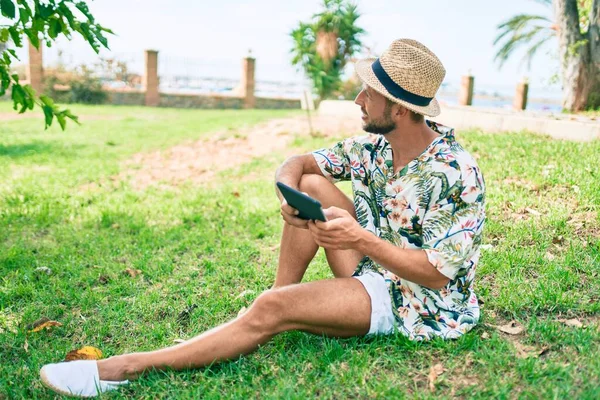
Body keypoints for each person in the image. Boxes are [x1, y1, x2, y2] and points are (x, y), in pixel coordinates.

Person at [39, 38, 486, 397]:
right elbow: (299, 161)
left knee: (273, 310)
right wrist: (288, 193)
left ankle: (123, 368)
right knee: (310, 185)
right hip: (372, 269)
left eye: (368, 93)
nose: (357, 99)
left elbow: (436, 277)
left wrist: (361, 239)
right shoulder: (374, 146)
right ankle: (276, 301)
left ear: (401, 109)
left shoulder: (454, 172)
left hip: (420, 305)